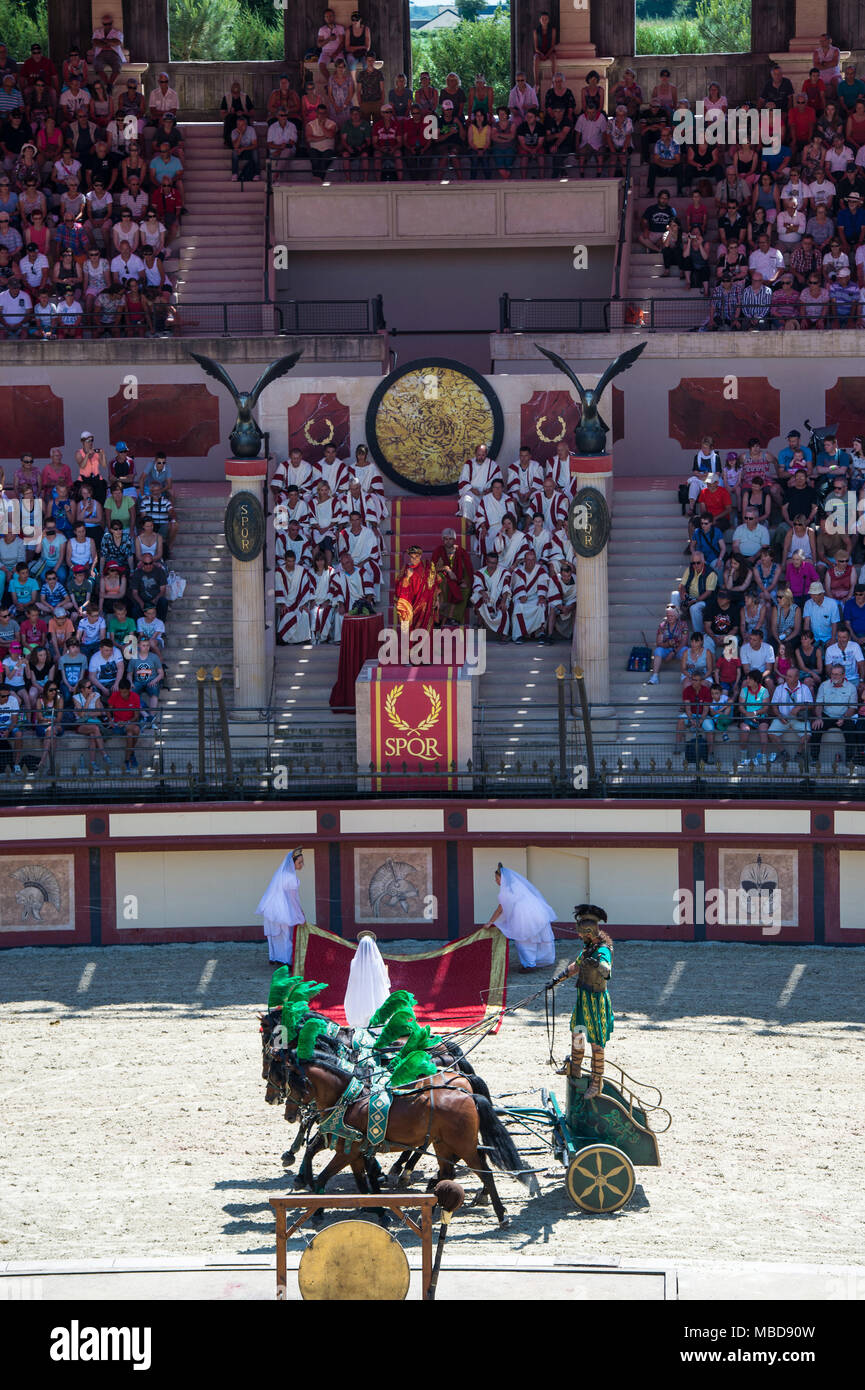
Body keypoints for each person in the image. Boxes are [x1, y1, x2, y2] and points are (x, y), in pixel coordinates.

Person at [547, 904, 613, 1097]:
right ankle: (575, 1068)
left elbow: (607, 969)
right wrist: (557, 979)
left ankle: (596, 1082)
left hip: (596, 1000)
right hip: (583, 997)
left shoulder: (603, 949)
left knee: (596, 1042)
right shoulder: (588, 947)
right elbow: (576, 966)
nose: (578, 936)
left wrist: (598, 964)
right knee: (577, 1033)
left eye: (581, 933)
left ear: (589, 932)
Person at [484, 863, 556, 974]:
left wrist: (490, 922)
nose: (496, 881)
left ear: (502, 879)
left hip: (523, 918)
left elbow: (500, 909)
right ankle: (535, 961)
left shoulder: (507, 891)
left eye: (496, 878)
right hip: (536, 913)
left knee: (523, 940)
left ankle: (529, 964)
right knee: (533, 938)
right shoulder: (517, 887)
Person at [255, 848, 307, 964]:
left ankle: (274, 957)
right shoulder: (291, 877)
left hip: (270, 908)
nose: (302, 865)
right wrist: (300, 915)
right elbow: (294, 900)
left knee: (274, 935)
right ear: (292, 863)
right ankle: (286, 961)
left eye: (302, 862)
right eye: (300, 862)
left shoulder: (280, 874)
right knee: (286, 935)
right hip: (282, 910)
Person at [343, 930, 390, 1028]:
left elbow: (352, 982)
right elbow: (383, 983)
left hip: (359, 993)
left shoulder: (354, 963)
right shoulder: (377, 963)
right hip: (375, 993)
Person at [394, 546, 437, 635]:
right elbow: (399, 589)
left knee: (425, 630)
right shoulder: (406, 569)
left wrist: (437, 599)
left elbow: (435, 583)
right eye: (412, 557)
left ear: (420, 556)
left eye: (416, 557)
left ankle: (424, 648)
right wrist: (407, 577)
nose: (414, 559)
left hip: (425, 604)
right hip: (411, 604)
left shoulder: (427, 567)